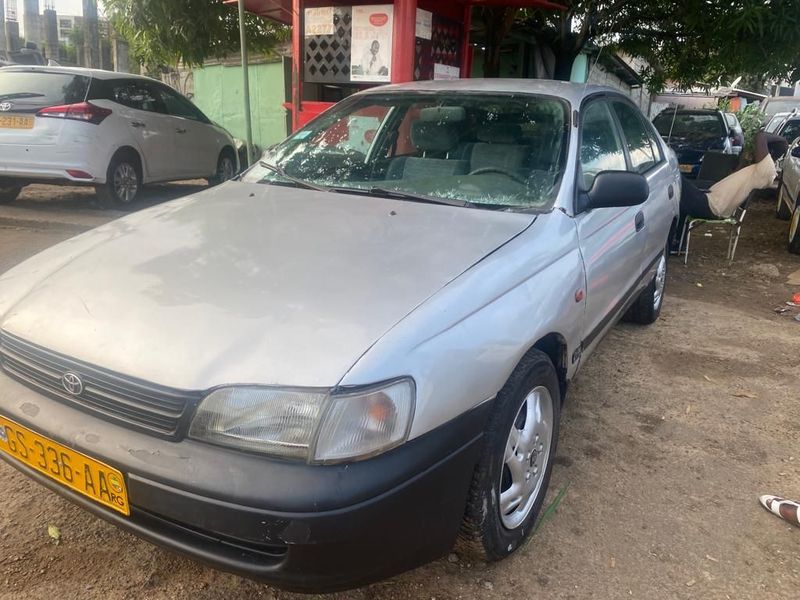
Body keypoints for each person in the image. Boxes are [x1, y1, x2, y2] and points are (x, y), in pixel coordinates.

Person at [673, 131, 788, 251]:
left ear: (769, 151)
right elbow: (734, 175)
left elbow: (760, 136)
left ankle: (675, 243)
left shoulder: (766, 169)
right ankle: (677, 243)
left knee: (675, 175)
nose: (756, 150)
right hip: (710, 200)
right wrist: (745, 160)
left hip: (712, 206)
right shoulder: (757, 168)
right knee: (679, 196)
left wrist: (782, 140)